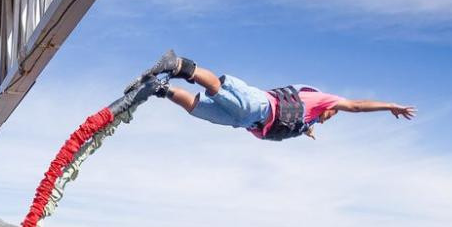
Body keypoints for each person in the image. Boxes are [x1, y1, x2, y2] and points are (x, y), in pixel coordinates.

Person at [138, 50, 416, 140]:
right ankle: (178, 64)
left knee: (197, 108)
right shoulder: (323, 100)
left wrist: (308, 129)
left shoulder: (310, 116)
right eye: (333, 115)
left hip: (248, 120)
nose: (331, 117)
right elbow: (355, 106)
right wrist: (390, 105)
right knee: (216, 89)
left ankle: (160, 89)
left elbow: (300, 121)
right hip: (260, 109)